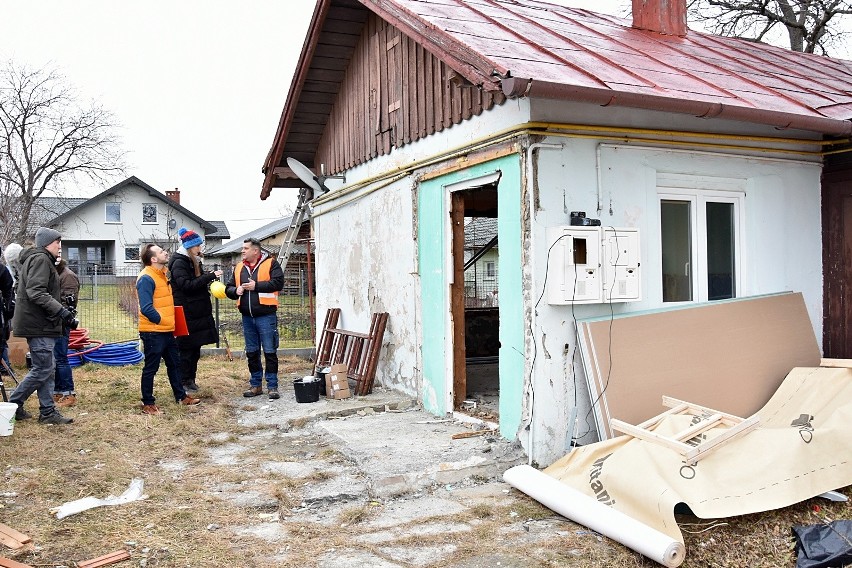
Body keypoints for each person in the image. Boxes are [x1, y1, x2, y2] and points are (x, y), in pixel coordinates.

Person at [8, 227, 75, 424]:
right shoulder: (40, 259)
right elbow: (36, 292)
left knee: (47, 367)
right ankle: (15, 402)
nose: (60, 246)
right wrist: (61, 311)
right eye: (57, 242)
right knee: (43, 368)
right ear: (47, 243)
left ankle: (47, 412)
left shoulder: (40, 259)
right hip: (38, 323)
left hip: (39, 322)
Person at [135, 243, 200, 415]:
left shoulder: (162, 275)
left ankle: (181, 396)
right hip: (153, 332)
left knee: (174, 364)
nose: (166, 253)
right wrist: (163, 321)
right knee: (151, 367)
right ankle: (148, 403)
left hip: (166, 330)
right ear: (153, 259)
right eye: (161, 252)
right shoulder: (146, 278)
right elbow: (146, 308)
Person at [225, 238, 284, 400]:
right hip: (247, 317)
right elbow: (228, 288)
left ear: (255, 251)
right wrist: (234, 291)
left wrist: (256, 286)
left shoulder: (271, 264)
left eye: (245, 248)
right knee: (252, 352)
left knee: (270, 352)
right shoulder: (239, 267)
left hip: (266, 315)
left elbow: (278, 283)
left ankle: (272, 386)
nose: (242, 251)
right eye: (242, 248)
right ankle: (255, 384)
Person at [168, 227, 222, 393]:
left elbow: (196, 282)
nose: (200, 248)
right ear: (190, 247)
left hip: (196, 311)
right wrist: (210, 276)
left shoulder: (193, 261)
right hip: (186, 313)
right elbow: (187, 286)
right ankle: (184, 381)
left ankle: (191, 379)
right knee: (186, 350)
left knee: (195, 348)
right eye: (198, 245)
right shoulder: (179, 262)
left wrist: (210, 282)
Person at [53, 259, 80, 407]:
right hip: (53, 322)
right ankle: (58, 390)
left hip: (61, 322)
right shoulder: (57, 274)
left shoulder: (67, 276)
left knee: (61, 358)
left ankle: (68, 392)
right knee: (56, 358)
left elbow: (69, 304)